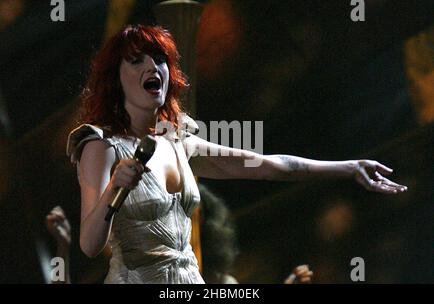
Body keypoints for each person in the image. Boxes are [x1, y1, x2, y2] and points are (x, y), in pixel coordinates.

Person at [66, 24, 407, 284]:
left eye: (159, 59)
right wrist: (115, 189)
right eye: (136, 61)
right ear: (116, 79)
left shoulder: (179, 142)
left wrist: (348, 168)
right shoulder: (100, 145)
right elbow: (90, 243)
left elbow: (272, 167)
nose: (152, 67)